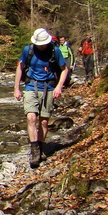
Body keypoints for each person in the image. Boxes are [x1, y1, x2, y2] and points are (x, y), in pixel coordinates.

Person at [13, 28, 69, 169]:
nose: (41, 46)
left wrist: (59, 87)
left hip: (48, 87)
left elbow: (64, 69)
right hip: (31, 86)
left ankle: (41, 145)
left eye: (43, 44)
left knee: (44, 122)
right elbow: (20, 67)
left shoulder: (54, 51)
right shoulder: (28, 50)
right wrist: (16, 88)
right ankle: (35, 151)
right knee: (31, 118)